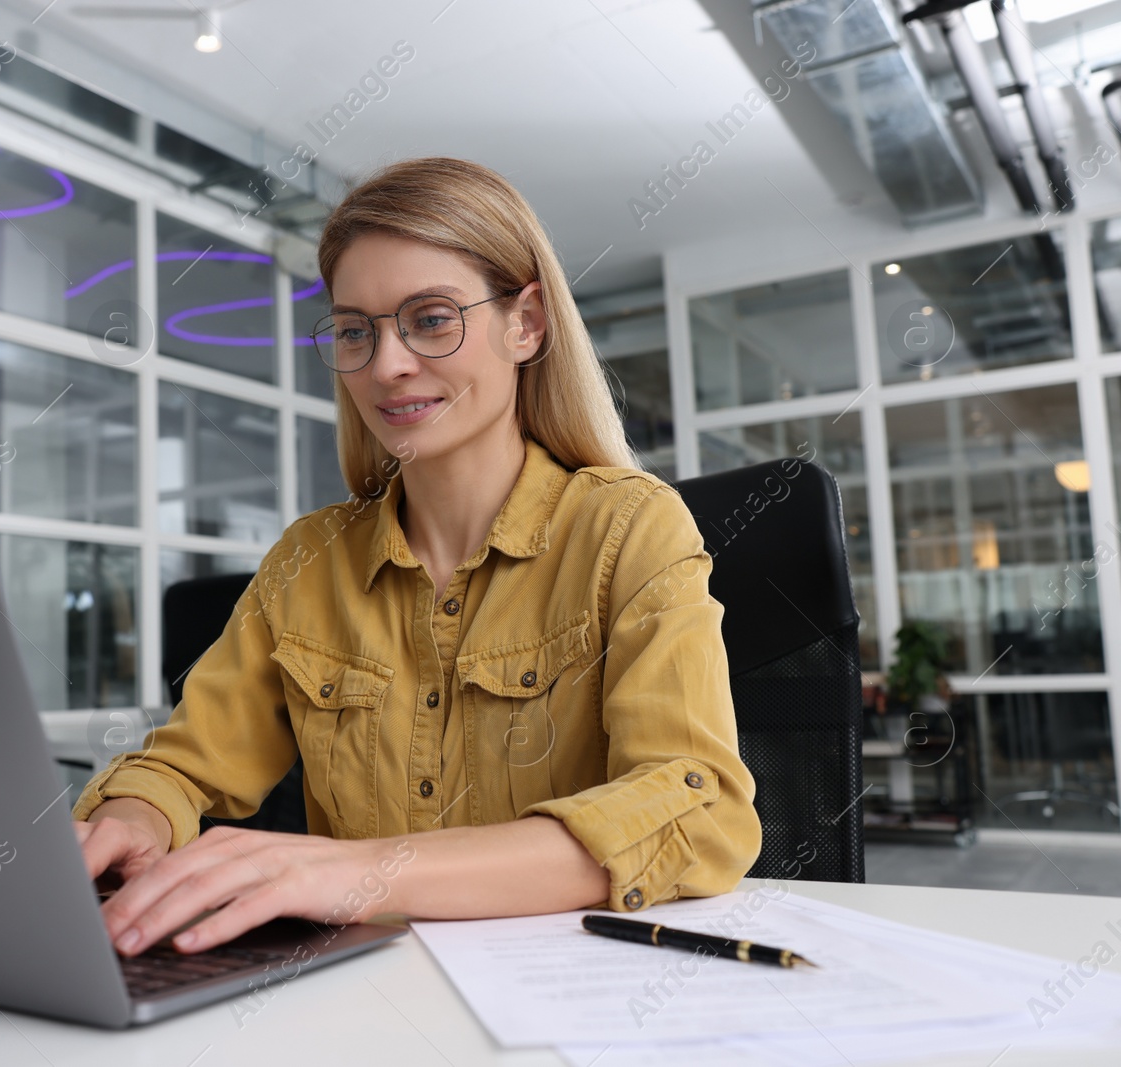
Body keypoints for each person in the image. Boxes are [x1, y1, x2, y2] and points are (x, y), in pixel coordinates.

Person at [72, 156, 761, 958]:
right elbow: (185, 764)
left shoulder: (630, 528)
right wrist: (128, 823)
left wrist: (361, 872)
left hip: (562, 998)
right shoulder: (309, 560)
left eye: (431, 318)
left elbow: (694, 808)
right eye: (357, 330)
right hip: (363, 997)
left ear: (526, 322)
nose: (387, 365)